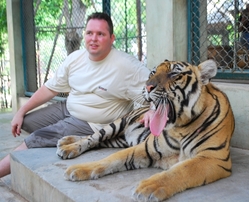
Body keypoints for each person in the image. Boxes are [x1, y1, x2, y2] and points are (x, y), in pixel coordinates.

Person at [0, 12, 153, 178]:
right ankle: (53, 137)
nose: (93, 38)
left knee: (36, 138)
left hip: (92, 123)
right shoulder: (76, 58)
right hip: (68, 108)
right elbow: (50, 88)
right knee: (26, 122)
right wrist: (20, 112)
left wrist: (153, 109)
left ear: (112, 38)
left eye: (100, 34)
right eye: (89, 33)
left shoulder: (127, 66)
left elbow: (158, 88)